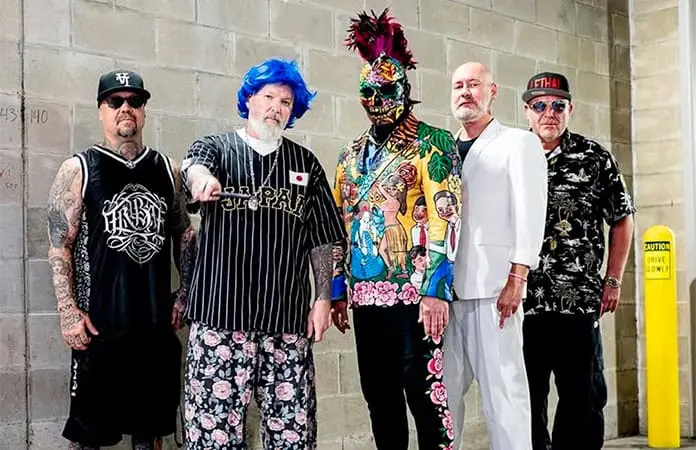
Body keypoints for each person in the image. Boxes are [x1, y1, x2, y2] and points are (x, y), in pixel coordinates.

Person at [180, 58, 345, 450]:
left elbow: (324, 239)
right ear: (249, 99)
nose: (276, 108)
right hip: (220, 318)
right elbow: (194, 167)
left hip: (286, 322)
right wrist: (202, 180)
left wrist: (323, 298)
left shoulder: (305, 164)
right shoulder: (216, 148)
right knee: (213, 436)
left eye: (286, 102)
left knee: (292, 435)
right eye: (269, 97)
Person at [331, 9, 460, 449]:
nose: (376, 99)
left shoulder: (433, 142)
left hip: (415, 296)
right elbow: (340, 224)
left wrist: (436, 289)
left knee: (426, 398)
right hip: (365, 298)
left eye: (386, 90)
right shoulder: (349, 155)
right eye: (367, 91)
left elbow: (447, 216)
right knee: (379, 399)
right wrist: (337, 290)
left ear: (405, 89)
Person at [47, 70, 197, 450]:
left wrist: (185, 294)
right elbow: (59, 245)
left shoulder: (168, 170)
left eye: (135, 101)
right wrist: (68, 312)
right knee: (89, 437)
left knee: (149, 435)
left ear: (144, 110)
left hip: (154, 327)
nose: (125, 108)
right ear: (101, 108)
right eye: (116, 100)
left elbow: (185, 234)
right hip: (99, 327)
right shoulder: (79, 169)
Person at [521, 72, 635, 450]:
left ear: (570, 109)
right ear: (526, 110)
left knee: (583, 400)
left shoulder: (594, 158)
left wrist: (613, 279)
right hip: (522, 303)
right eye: (539, 105)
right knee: (525, 401)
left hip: (579, 302)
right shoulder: (512, 156)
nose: (549, 113)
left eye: (558, 105)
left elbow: (622, 219)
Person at [442, 62, 548, 450]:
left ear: (492, 91)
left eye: (474, 84)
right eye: (458, 85)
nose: (465, 92)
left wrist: (517, 278)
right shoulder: (442, 149)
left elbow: (530, 213)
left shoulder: (518, 143)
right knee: (442, 398)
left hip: (493, 288)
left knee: (503, 397)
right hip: (444, 291)